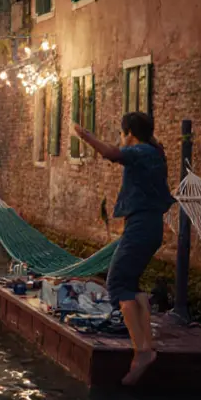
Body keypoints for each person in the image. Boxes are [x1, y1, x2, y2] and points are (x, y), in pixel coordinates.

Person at [71, 112, 175, 385]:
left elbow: (112, 154)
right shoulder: (154, 152)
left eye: (122, 133)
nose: (121, 137)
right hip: (149, 227)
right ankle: (147, 346)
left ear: (129, 133)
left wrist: (85, 136)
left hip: (141, 227)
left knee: (117, 284)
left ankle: (141, 352)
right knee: (132, 285)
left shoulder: (141, 151)